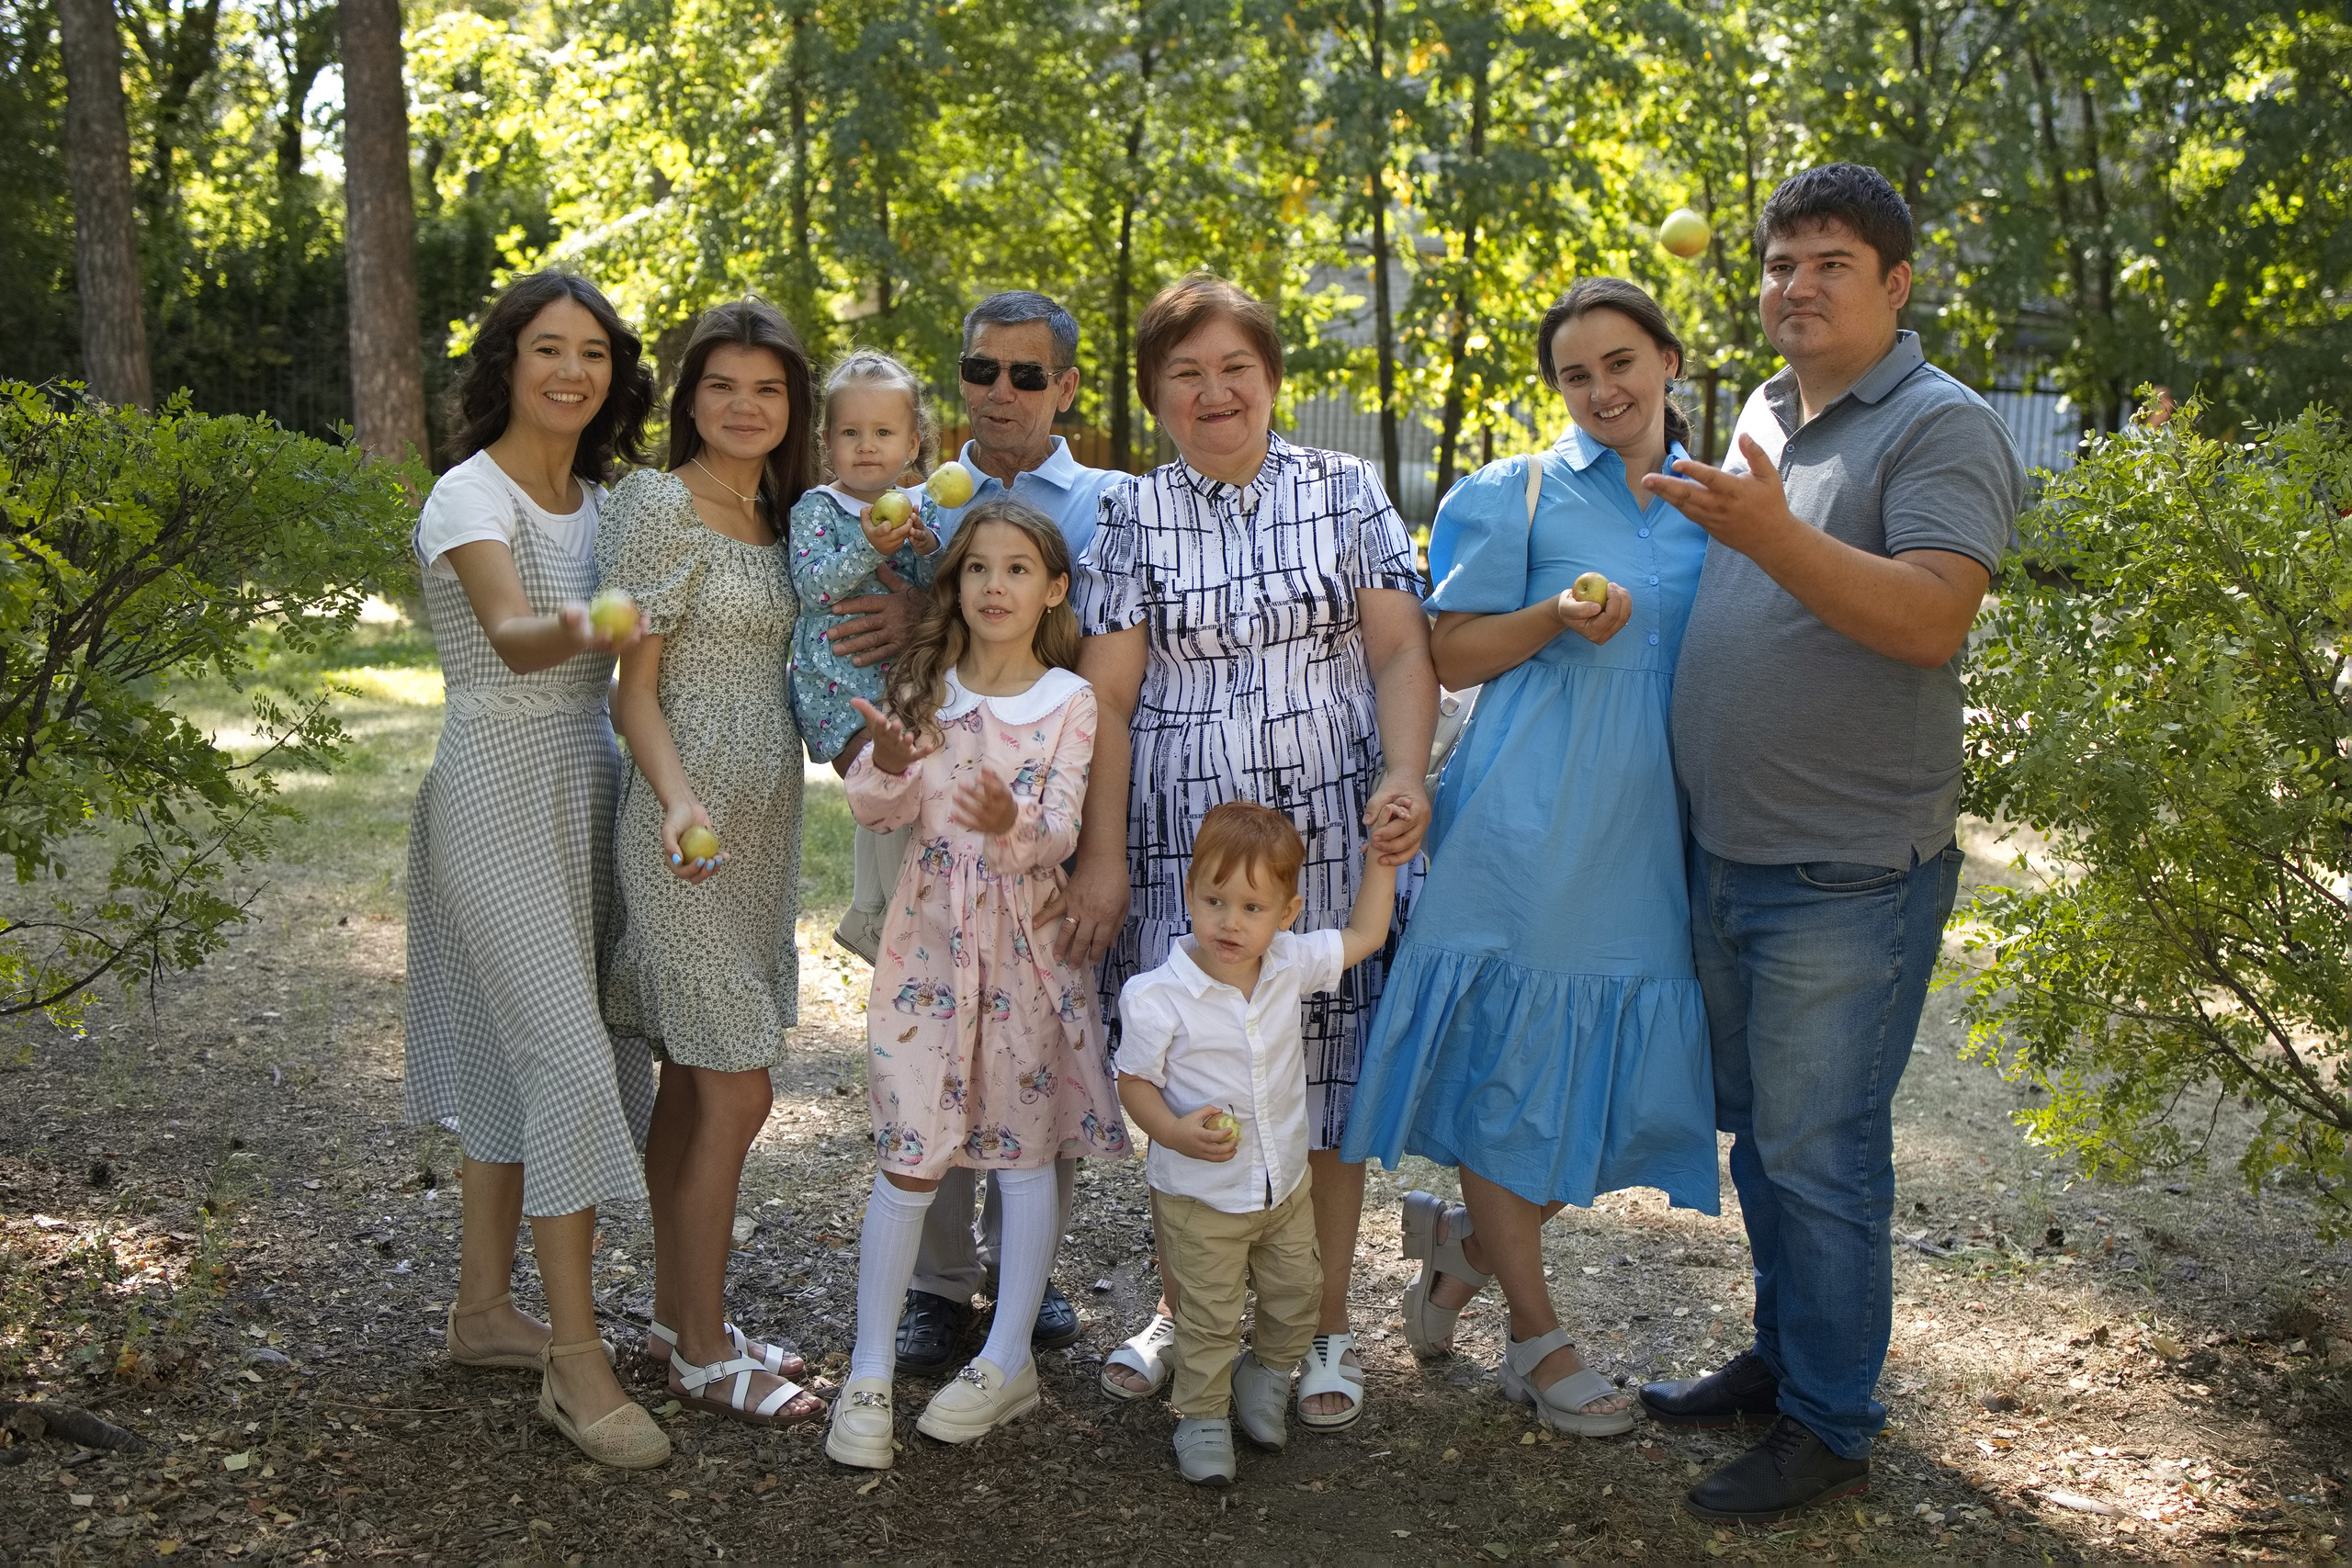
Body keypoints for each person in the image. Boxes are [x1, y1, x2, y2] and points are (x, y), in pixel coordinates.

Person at [1635, 164, 2025, 1522]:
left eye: (1829, 264)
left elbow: (1928, 618)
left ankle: (1833, 1421)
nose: (1794, 287)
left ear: (1898, 283)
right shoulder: (1766, 410)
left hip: (1846, 867)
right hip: (1730, 849)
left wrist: (1772, 535)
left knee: (1824, 1149)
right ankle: (1788, 1354)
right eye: (1779, 263)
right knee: (1767, 1140)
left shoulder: (1941, 425)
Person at [1342, 278, 1721, 1437]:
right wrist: (1555, 613)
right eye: (1574, 373)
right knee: (1514, 1079)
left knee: (1612, 1086)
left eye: (1621, 362)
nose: (1602, 389)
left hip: (1660, 825)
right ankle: (1535, 1338)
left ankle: (1459, 1248)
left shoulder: (1723, 502)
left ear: (1667, 361)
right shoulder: (1520, 491)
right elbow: (1446, 654)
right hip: (1530, 818)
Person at [1061, 273, 1437, 1428]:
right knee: (1198, 1078)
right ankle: (1192, 1315)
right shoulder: (1130, 513)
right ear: (1157, 396)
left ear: (1272, 379)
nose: (1213, 392)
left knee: (1319, 1084)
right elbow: (1109, 701)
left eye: (1235, 368)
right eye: (1185, 374)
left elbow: (1397, 655)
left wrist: (1406, 773)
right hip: (1185, 849)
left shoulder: (1346, 490)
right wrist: (1107, 856)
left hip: (1330, 839)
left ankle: (1322, 1330)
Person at [402, 269, 671, 1468]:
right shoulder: (468, 493)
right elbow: (514, 636)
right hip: (494, 786)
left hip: (589, 782)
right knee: (563, 1058)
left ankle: (479, 1312)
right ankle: (574, 1357)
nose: (572, 369)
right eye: (548, 347)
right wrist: (605, 622)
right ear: (506, 360)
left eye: (595, 353)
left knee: (552, 1047)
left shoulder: (606, 506)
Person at [825, 498, 1131, 1470]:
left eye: (1014, 570)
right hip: (928, 955)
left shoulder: (1071, 703)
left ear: (1052, 591)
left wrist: (1007, 816)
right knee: (911, 1149)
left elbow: (1056, 835)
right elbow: (878, 812)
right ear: (953, 586)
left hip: (1028, 954)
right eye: (975, 570)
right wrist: (882, 760)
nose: (993, 587)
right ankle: (868, 1370)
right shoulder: (922, 688)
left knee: (1023, 1148)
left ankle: (1006, 1360)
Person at [598, 299, 823, 1429]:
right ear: (690, 397)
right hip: (681, 828)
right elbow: (631, 689)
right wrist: (681, 799)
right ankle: (696, 1351)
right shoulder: (656, 505)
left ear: (793, 408)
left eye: (768, 390)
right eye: (723, 386)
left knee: (695, 1084)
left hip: (765, 826)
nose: (745, 407)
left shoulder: (786, 514)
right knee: (739, 1087)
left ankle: (678, 1317)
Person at [892, 291, 1125, 1375]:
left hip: (1045, 811)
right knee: (937, 1037)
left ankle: (1021, 1279)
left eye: (1028, 376)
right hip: (926, 813)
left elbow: (1113, 679)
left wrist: (1092, 852)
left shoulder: (1111, 504)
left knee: (1040, 1035)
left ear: (1066, 388)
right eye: (982, 370)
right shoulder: (919, 505)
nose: (1001, 393)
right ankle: (937, 1288)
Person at [1115, 802, 1403, 1485]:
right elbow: (1134, 1083)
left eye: (1251, 906)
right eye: (1214, 899)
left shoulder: (1288, 963)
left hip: (1284, 1186)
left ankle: (1267, 1375)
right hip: (1203, 1197)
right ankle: (1203, 1414)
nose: (1230, 921)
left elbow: (1365, 932)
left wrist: (1383, 861)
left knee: (1299, 1291)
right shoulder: (1157, 996)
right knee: (1209, 1313)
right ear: (1188, 893)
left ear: (1287, 911)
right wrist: (1173, 1130)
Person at [786, 349, 944, 962]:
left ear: (912, 443)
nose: (867, 446)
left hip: (899, 683)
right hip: (836, 683)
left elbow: (932, 589)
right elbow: (812, 585)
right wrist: (866, 547)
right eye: (851, 432)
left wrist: (927, 548)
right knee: (883, 783)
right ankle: (877, 915)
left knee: (892, 789)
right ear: (827, 442)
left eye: (883, 433)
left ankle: (868, 909)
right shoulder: (817, 509)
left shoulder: (919, 508)